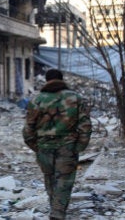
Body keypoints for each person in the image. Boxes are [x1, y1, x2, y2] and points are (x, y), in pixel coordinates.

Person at [23, 69, 91, 220]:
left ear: (47, 80)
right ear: (61, 79)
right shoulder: (75, 98)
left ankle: (55, 209)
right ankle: (58, 212)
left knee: (50, 179)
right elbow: (85, 126)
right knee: (64, 181)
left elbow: (28, 130)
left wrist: (37, 147)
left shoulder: (36, 100)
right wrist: (79, 147)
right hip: (67, 148)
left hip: (44, 147)